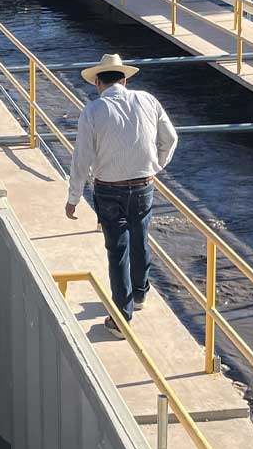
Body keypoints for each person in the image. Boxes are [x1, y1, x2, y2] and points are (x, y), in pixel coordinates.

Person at [64, 53, 178, 338]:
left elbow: (82, 158)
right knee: (141, 237)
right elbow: (171, 138)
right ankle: (139, 294)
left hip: (108, 188)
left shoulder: (93, 110)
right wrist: (156, 165)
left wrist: (74, 197)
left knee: (118, 249)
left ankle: (121, 316)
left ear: (98, 82)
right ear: (125, 80)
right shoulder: (148, 100)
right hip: (143, 184)